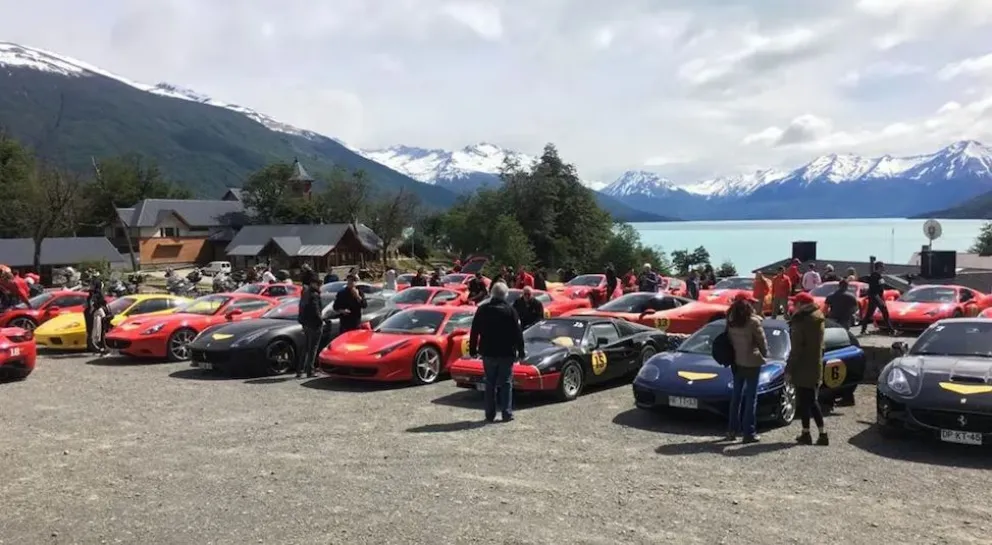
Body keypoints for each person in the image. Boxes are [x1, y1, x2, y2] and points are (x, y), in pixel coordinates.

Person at [469, 282, 525, 423]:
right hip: (506, 352)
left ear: (492, 293)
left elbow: (474, 331)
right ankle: (506, 413)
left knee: (490, 383)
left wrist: (473, 350)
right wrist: (521, 351)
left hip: (488, 352)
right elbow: (518, 333)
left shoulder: (482, 309)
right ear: (505, 295)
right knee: (506, 383)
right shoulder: (511, 311)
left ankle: (490, 414)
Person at [787, 292, 829, 446]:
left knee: (809, 401)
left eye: (795, 303)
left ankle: (822, 434)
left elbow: (796, 349)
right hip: (814, 364)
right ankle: (807, 433)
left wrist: (789, 369)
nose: (794, 306)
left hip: (802, 365)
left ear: (801, 305)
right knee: (808, 400)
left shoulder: (801, 322)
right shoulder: (818, 318)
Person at [726, 293, 768, 444]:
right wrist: (765, 354)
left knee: (736, 397)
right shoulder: (753, 321)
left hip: (737, 362)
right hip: (752, 362)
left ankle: (732, 430)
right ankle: (748, 432)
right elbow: (762, 343)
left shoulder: (730, 320)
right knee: (751, 398)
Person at [297, 272, 324, 378]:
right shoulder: (314, 295)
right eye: (318, 284)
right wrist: (321, 321)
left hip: (306, 324)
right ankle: (310, 371)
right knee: (313, 348)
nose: (319, 286)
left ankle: (300, 370)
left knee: (306, 348)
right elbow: (316, 310)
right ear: (314, 284)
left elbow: (301, 308)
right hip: (314, 324)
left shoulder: (305, 294)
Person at [860, 261, 893, 335]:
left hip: (877, 296)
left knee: (869, 313)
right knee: (884, 310)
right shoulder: (874, 275)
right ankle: (891, 330)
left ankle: (863, 330)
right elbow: (873, 288)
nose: (884, 268)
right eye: (883, 266)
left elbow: (882, 286)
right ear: (879, 267)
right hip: (874, 295)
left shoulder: (879, 276)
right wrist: (877, 297)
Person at [85, 278, 112, 354]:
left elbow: (96, 305)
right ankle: (99, 348)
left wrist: (92, 309)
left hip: (98, 315)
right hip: (95, 315)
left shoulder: (97, 295)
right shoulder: (92, 295)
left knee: (99, 332)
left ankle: (104, 349)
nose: (90, 286)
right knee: (96, 332)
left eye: (92, 284)